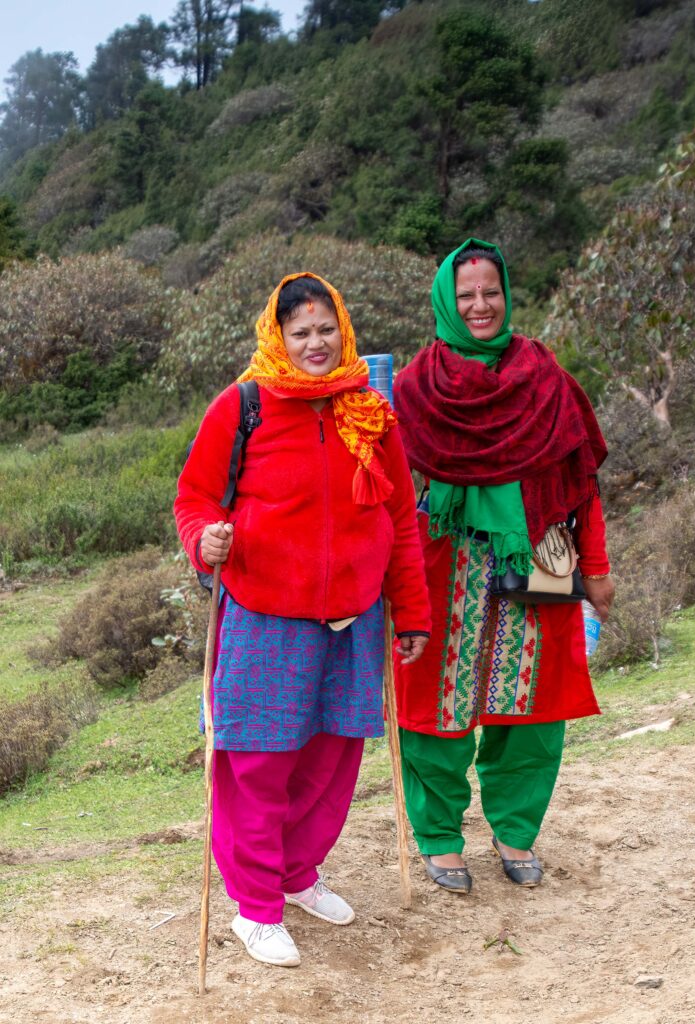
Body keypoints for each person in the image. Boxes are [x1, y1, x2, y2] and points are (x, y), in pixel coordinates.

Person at [175, 273, 430, 966]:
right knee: (258, 762)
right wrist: (205, 540)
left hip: (354, 617)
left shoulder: (369, 409)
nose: (315, 344)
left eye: (326, 330)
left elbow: (400, 519)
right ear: (278, 337)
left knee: (331, 758)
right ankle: (254, 908)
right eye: (301, 333)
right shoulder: (243, 404)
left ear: (342, 331)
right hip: (264, 614)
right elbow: (196, 497)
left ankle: (296, 874)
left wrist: (411, 612)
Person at [393, 238, 614, 895]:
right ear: (445, 302)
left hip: (542, 553)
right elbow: (389, 495)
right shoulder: (414, 389)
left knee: (535, 706)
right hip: (441, 563)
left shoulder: (547, 381)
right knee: (434, 705)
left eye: (490, 292)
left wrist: (595, 567)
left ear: (507, 295)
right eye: (466, 295)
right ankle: (438, 838)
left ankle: (515, 831)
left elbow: (581, 485)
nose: (480, 305)